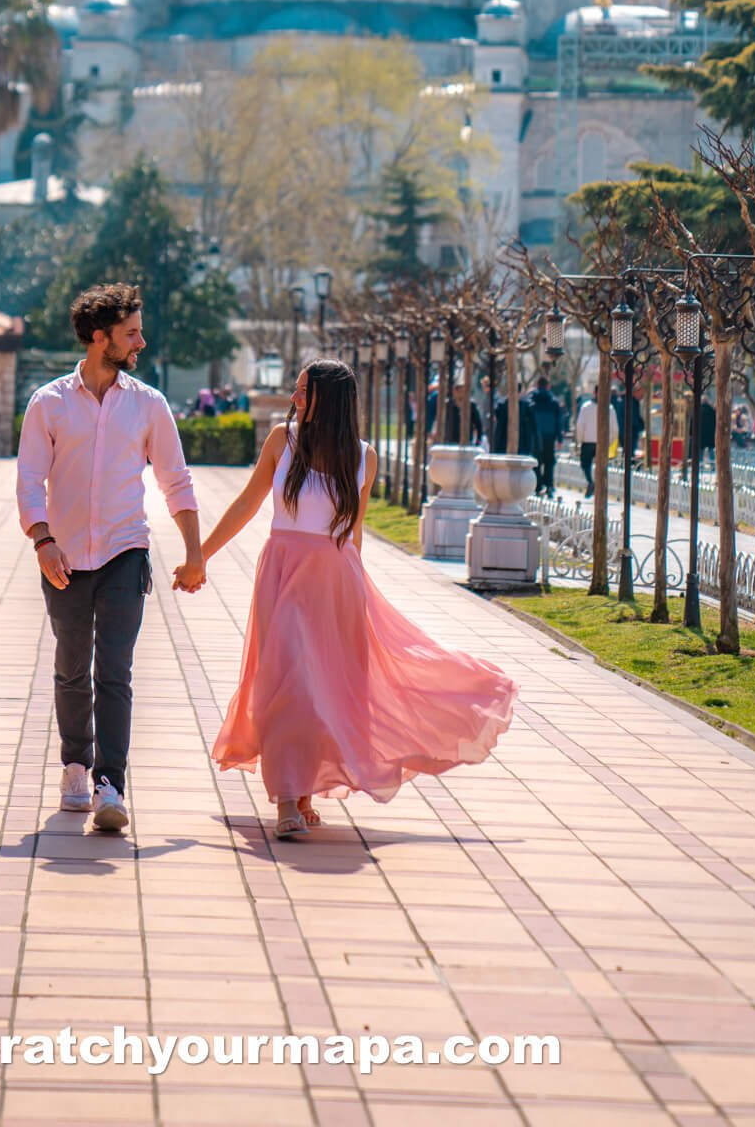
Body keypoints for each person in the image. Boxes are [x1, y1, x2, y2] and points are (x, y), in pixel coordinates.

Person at [193, 359, 516, 838]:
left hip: (338, 581)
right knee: (288, 682)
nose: (295, 398)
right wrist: (199, 556)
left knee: (323, 689)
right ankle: (286, 798)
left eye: (304, 391)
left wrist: (360, 595)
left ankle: (301, 793)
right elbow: (246, 503)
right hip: (283, 573)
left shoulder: (364, 456)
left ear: (332, 398)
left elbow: (354, 530)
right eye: (296, 390)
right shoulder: (283, 441)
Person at [16, 281, 204, 832]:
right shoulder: (48, 403)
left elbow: (176, 480)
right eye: (131, 333)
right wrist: (43, 540)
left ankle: (110, 782)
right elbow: (29, 479)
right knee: (72, 666)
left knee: (114, 669)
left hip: (126, 551)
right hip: (65, 557)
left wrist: (194, 554)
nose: (140, 342)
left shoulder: (148, 404)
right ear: (101, 339)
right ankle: (75, 765)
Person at [575, 390, 618, 501]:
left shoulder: (586, 407)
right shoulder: (610, 408)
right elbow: (614, 428)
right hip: (602, 442)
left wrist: (579, 440)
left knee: (585, 464)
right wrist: (610, 441)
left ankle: (591, 482)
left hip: (588, 441)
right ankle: (599, 488)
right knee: (601, 467)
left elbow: (580, 425)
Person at [528, 375, 562, 497]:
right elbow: (559, 421)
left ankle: (538, 486)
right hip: (550, 435)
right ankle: (549, 485)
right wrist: (559, 438)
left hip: (536, 436)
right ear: (548, 386)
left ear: (537, 385)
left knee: (537, 461)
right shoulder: (553, 402)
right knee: (549, 462)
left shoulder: (531, 401)